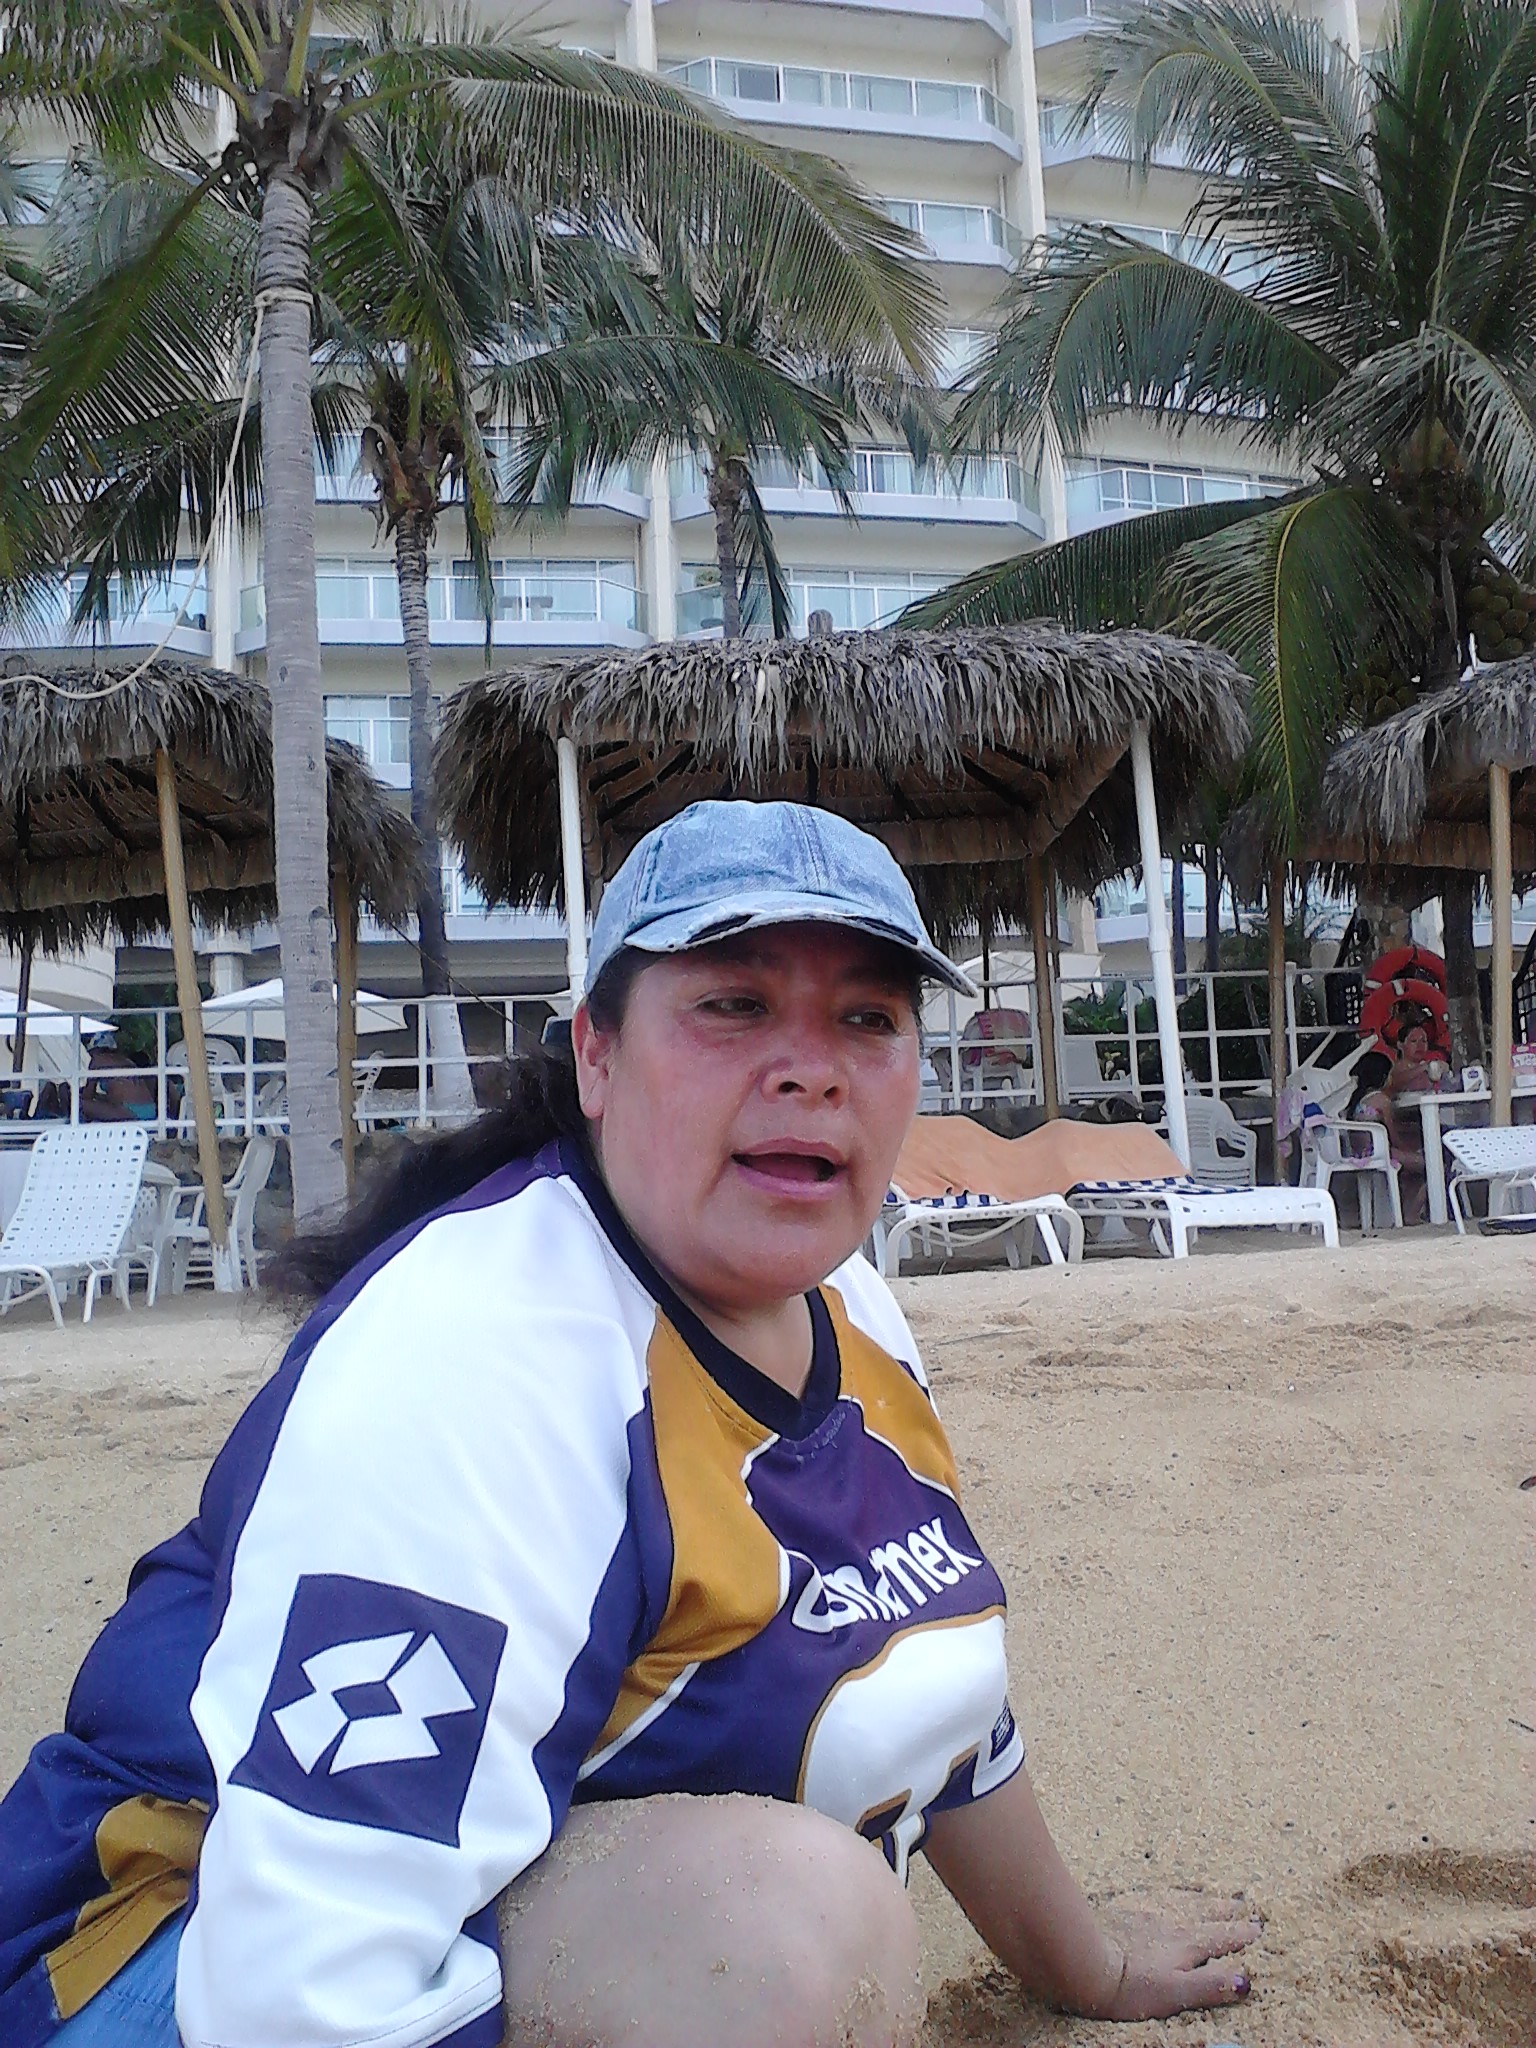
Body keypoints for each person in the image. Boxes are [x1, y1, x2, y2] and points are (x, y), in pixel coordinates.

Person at [0, 802, 1260, 2048]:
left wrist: (1086, 1961)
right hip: (169, 1942)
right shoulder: (478, 1358)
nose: (813, 1066)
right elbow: (301, 1995)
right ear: (596, 1055)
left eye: (869, 1017)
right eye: (735, 1004)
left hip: (419, 1903)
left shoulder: (848, 1307)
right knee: (787, 1931)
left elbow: (929, 1680)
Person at [78, 1032, 158, 1123]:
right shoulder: (125, 1061)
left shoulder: (97, 1061)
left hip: (128, 1110)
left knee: (79, 1104)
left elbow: (87, 1096)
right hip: (148, 1108)